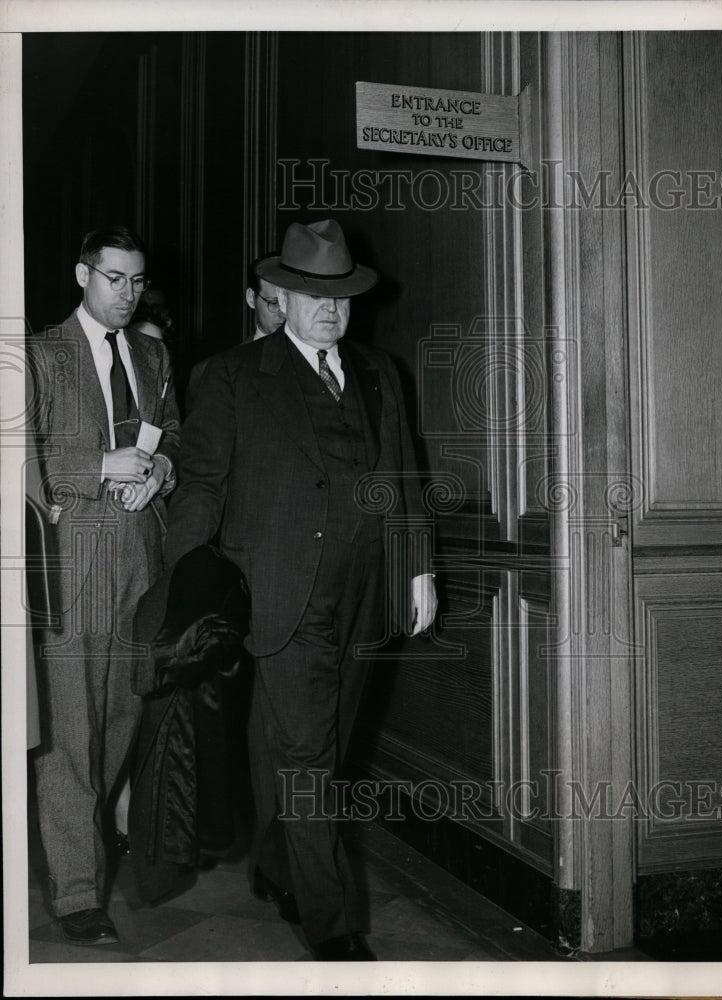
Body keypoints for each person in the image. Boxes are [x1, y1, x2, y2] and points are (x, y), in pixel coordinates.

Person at [164, 219, 437, 961]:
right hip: (279, 589)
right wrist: (187, 579)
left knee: (321, 743)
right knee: (309, 750)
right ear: (281, 297)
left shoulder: (379, 371)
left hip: (366, 592)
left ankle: (277, 863)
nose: (330, 310)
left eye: (341, 297)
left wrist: (418, 568)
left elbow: (404, 476)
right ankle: (331, 922)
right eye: (315, 296)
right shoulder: (232, 375)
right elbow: (202, 485)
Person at [26, 225, 180, 946]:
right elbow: (21, 458)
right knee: (69, 733)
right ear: (82, 274)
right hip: (71, 560)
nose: (128, 294)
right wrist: (100, 467)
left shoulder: (152, 355)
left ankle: (83, 847)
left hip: (140, 560)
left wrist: (161, 472)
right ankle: (78, 891)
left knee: (122, 718)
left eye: (137, 281)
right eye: (114, 278)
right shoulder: (39, 354)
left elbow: (173, 433)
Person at [185, 253, 284, 413]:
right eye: (274, 303)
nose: (284, 313)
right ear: (251, 298)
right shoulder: (209, 372)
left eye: (290, 303)